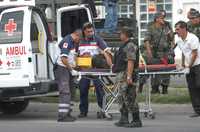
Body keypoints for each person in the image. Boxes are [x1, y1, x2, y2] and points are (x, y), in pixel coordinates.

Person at [78, 22, 112, 118]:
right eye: (88, 32)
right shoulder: (79, 41)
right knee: (83, 89)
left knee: (99, 89)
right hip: (84, 69)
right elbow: (75, 54)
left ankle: (103, 109)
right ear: (84, 31)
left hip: (96, 69)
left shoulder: (97, 39)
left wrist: (109, 56)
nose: (90, 33)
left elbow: (106, 50)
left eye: (92, 31)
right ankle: (83, 111)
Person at [112, 27, 142, 128]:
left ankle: (136, 120)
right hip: (121, 75)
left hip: (127, 75)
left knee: (130, 97)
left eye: (120, 33)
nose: (119, 35)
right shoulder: (124, 45)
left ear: (125, 34)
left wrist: (129, 76)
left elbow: (131, 61)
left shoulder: (130, 45)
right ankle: (124, 119)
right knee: (121, 97)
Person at [144, 10, 174, 94]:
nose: (163, 19)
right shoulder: (151, 27)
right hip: (156, 53)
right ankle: (155, 88)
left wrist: (169, 33)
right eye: (162, 18)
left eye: (164, 17)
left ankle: (165, 88)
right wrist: (149, 52)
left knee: (166, 70)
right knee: (155, 70)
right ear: (156, 19)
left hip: (166, 53)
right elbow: (146, 40)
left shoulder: (167, 25)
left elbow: (171, 38)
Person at [54, 29, 81, 122]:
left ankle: (67, 113)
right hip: (62, 69)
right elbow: (63, 59)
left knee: (71, 91)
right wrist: (71, 69)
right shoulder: (67, 41)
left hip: (68, 69)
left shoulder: (73, 42)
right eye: (79, 39)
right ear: (76, 35)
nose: (79, 41)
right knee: (65, 91)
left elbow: (72, 57)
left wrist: (75, 68)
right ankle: (62, 116)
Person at [175, 21, 200, 117]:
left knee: (198, 85)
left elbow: (195, 54)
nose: (176, 31)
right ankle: (197, 110)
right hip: (189, 65)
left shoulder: (192, 38)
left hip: (198, 65)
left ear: (184, 28)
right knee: (192, 88)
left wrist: (188, 66)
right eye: (176, 29)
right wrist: (182, 64)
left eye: (177, 29)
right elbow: (183, 52)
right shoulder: (179, 40)